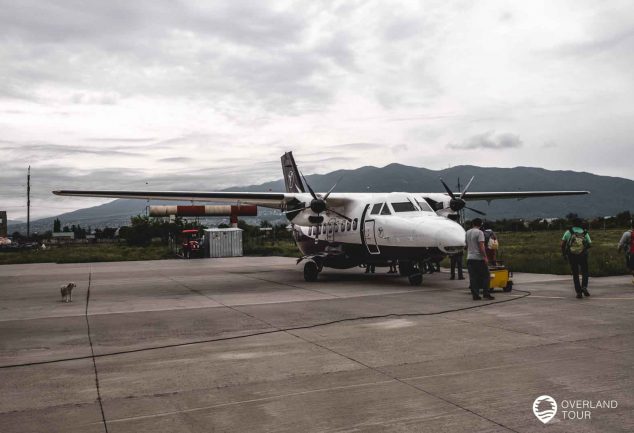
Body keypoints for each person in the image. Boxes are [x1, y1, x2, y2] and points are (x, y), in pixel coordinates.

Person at [561, 218, 592, 298]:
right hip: (583, 255)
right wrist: (583, 249)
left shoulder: (568, 232)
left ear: (573, 224)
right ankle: (584, 286)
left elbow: (563, 244)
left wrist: (564, 254)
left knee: (575, 273)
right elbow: (590, 244)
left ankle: (578, 292)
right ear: (581, 224)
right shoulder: (584, 232)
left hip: (572, 255)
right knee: (585, 272)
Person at [466, 218, 493, 300]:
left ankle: (475, 295)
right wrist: (485, 257)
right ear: (481, 224)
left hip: (470, 258)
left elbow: (466, 245)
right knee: (486, 276)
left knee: (473, 277)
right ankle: (486, 293)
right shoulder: (480, 232)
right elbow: (481, 246)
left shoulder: (467, 232)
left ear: (473, 224)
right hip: (478, 258)